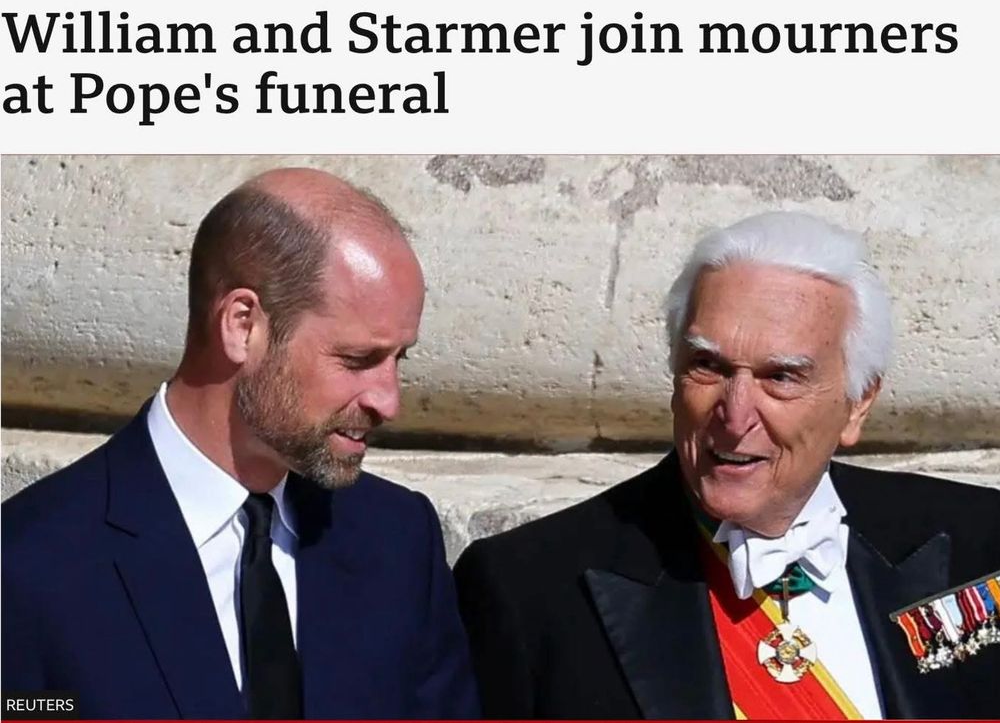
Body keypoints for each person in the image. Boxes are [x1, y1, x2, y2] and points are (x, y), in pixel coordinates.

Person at [454, 212, 1000, 719]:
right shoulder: (531, 591)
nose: (735, 415)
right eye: (708, 366)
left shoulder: (979, 544)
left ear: (858, 403)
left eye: (781, 377)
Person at [2, 168, 479, 719]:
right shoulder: (28, 569)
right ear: (242, 325)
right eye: (357, 360)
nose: (388, 401)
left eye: (400, 360)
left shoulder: (396, 541)